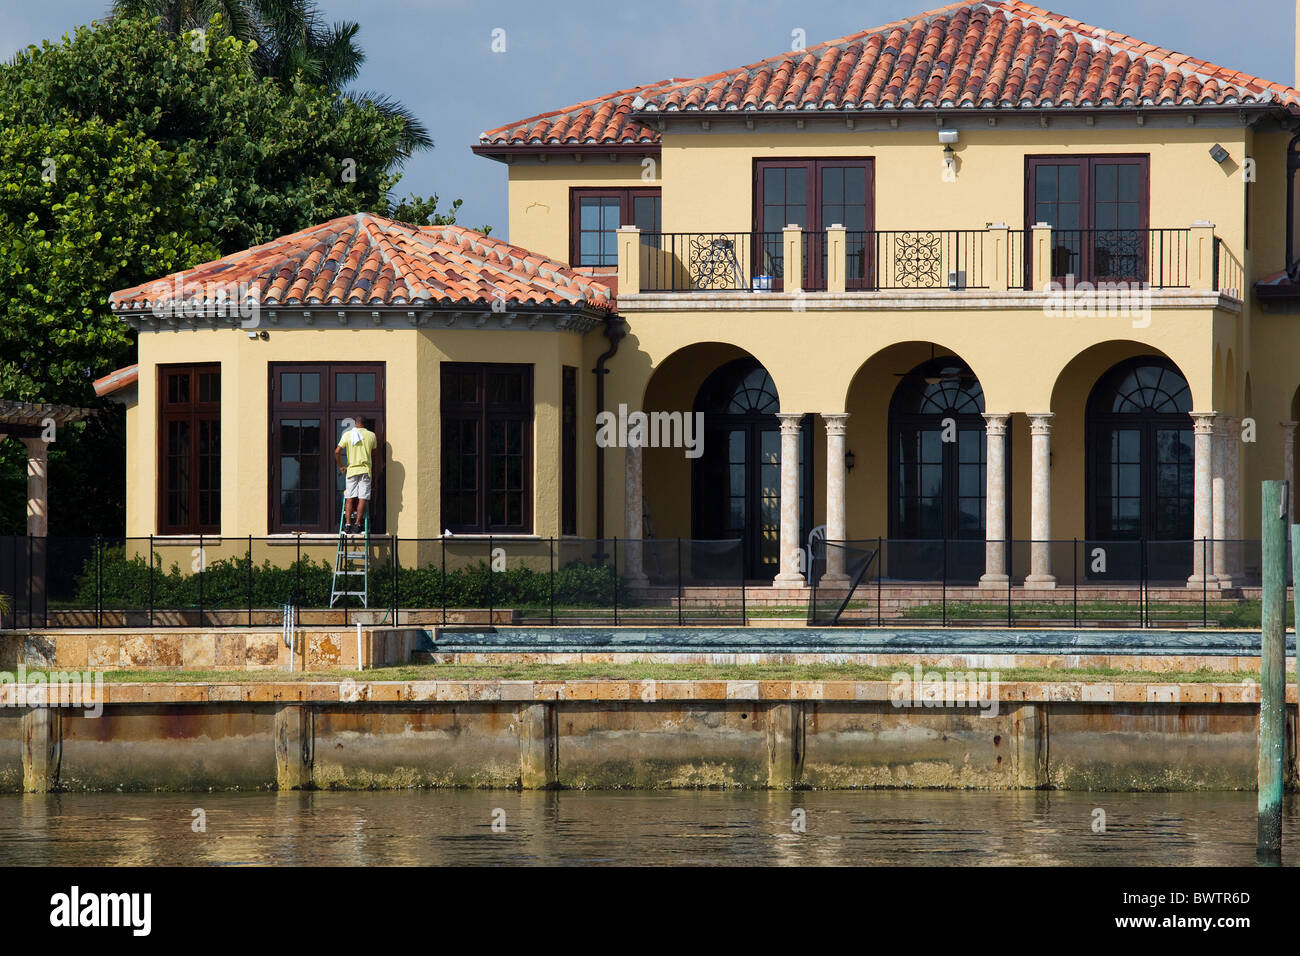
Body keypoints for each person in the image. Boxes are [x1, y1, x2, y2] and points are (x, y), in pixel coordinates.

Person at [334, 417, 378, 534]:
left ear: (355, 424)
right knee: (362, 497)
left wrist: (341, 465)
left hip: (352, 470)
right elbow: (373, 452)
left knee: (349, 497)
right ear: (365, 424)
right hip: (365, 469)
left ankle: (348, 524)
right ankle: (358, 524)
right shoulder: (371, 435)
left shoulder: (348, 434)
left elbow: (337, 451)